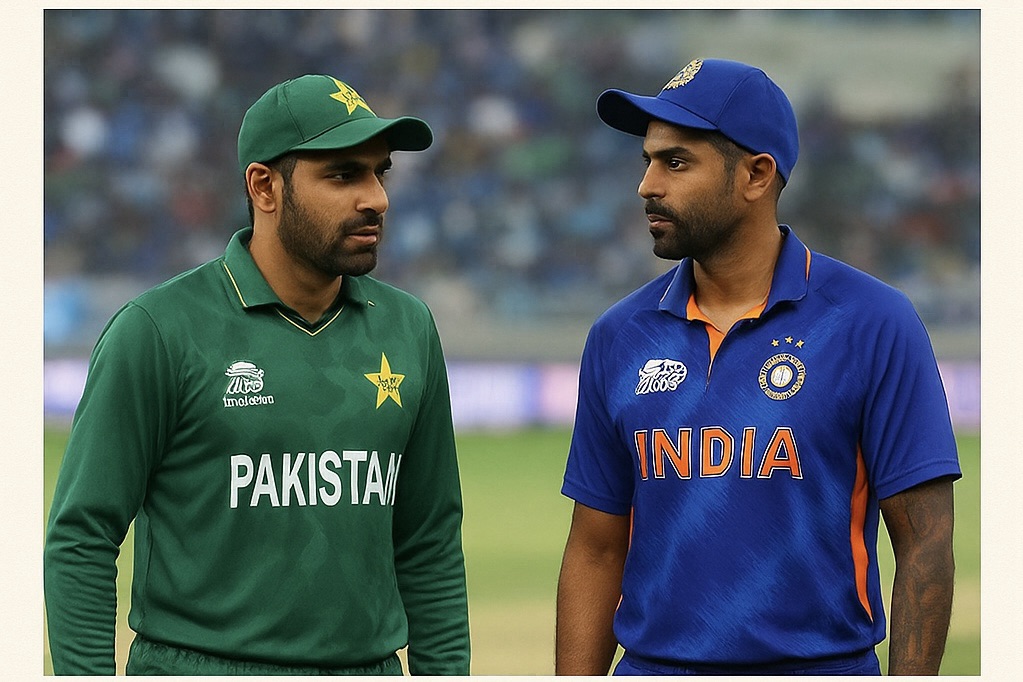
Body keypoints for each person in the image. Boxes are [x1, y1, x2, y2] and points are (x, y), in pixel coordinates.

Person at [44, 74, 470, 676]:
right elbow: (82, 538)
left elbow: (430, 542)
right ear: (264, 187)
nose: (376, 198)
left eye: (380, 173)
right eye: (343, 175)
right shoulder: (160, 331)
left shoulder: (409, 328)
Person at [556, 58, 960, 676]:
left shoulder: (872, 322)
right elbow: (595, 550)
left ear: (756, 175)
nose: (647, 185)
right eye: (648, 161)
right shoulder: (619, 335)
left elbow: (925, 545)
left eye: (676, 163)